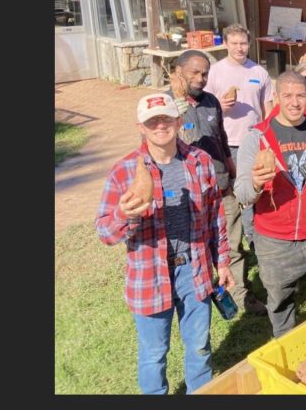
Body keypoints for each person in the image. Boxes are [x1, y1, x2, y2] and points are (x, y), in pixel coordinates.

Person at [96, 93, 234, 394]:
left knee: (199, 346)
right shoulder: (124, 171)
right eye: (152, 121)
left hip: (194, 270)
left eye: (166, 118)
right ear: (140, 127)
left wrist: (222, 261)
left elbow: (215, 216)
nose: (160, 125)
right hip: (150, 275)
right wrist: (124, 214)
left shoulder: (200, 162)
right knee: (154, 354)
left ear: (178, 121)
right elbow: (105, 232)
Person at [233, 72, 306, 337]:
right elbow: (242, 194)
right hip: (274, 244)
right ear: (276, 98)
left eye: (300, 96)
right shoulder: (257, 137)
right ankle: (289, 351)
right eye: (287, 95)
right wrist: (256, 184)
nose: (294, 103)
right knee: (281, 309)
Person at [166, 50, 266, 315]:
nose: (201, 79)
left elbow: (221, 139)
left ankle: (240, 294)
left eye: (205, 74)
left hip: (220, 186)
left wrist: (233, 173)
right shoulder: (165, 105)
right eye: (195, 73)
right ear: (178, 72)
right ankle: (193, 298)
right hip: (187, 194)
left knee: (233, 244)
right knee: (193, 250)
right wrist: (174, 114)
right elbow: (160, 149)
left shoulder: (211, 101)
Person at [201, 24, 272, 313]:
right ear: (226, 45)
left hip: (254, 143)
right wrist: (221, 105)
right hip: (226, 146)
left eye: (244, 43)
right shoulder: (215, 73)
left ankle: (261, 253)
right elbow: (205, 108)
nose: (240, 48)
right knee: (232, 207)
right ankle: (232, 264)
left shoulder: (259, 72)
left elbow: (267, 109)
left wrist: (268, 139)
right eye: (234, 43)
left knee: (256, 199)